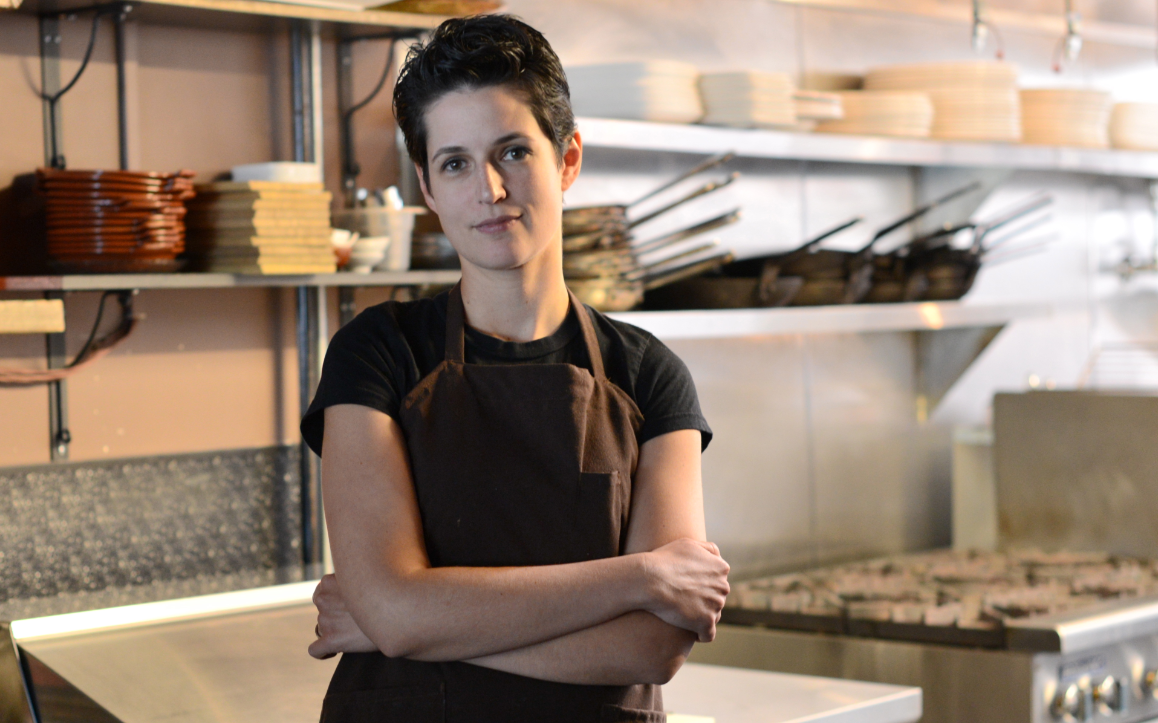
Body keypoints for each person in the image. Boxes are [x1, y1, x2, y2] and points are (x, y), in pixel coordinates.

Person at [300, 14, 730, 722]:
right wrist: (639, 575)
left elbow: (653, 645)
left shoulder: (649, 374)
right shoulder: (376, 353)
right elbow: (398, 613)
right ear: (428, 188)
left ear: (567, 160)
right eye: (456, 163)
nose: (490, 190)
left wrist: (410, 624)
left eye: (513, 153)